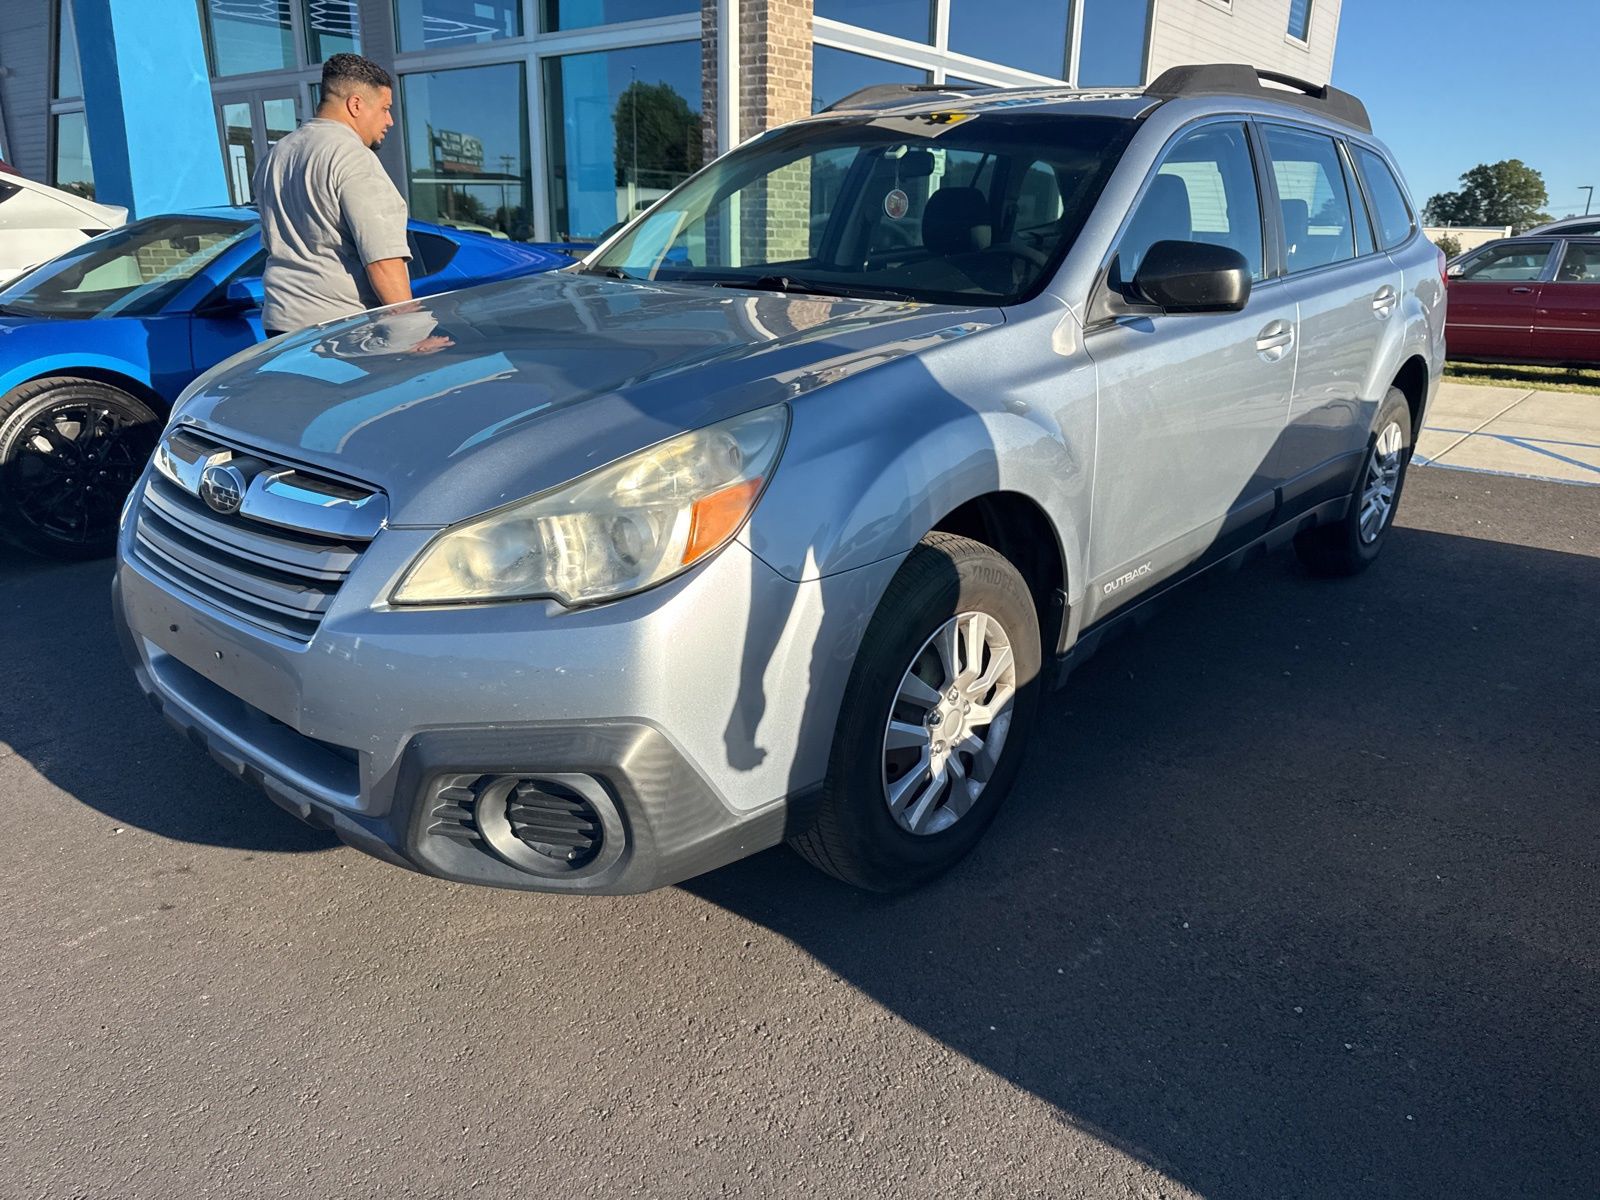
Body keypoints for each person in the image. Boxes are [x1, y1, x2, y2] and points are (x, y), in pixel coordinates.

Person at [254, 53, 419, 339]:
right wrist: (413, 332)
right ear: (356, 104)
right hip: (343, 328)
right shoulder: (352, 156)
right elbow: (382, 259)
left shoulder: (276, 156)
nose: (390, 120)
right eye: (385, 108)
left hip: (281, 324)